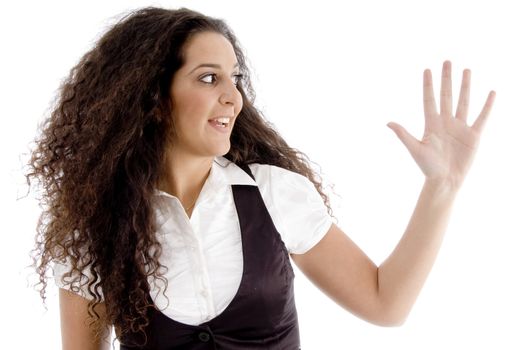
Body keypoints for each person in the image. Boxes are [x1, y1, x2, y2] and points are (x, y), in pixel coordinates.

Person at [25, 6, 495, 350]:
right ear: (153, 98)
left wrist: (442, 186)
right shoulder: (96, 229)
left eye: (235, 79)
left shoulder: (273, 194)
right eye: (209, 78)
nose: (234, 97)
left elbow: (385, 304)